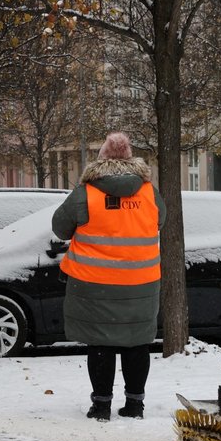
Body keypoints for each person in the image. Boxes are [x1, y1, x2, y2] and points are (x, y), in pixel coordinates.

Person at [52, 132, 166, 421]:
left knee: (100, 343)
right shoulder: (149, 192)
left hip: (95, 284)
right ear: (130, 158)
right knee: (137, 343)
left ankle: (101, 405)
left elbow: (60, 227)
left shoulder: (86, 193)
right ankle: (135, 405)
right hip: (141, 283)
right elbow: (160, 221)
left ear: (101, 158)